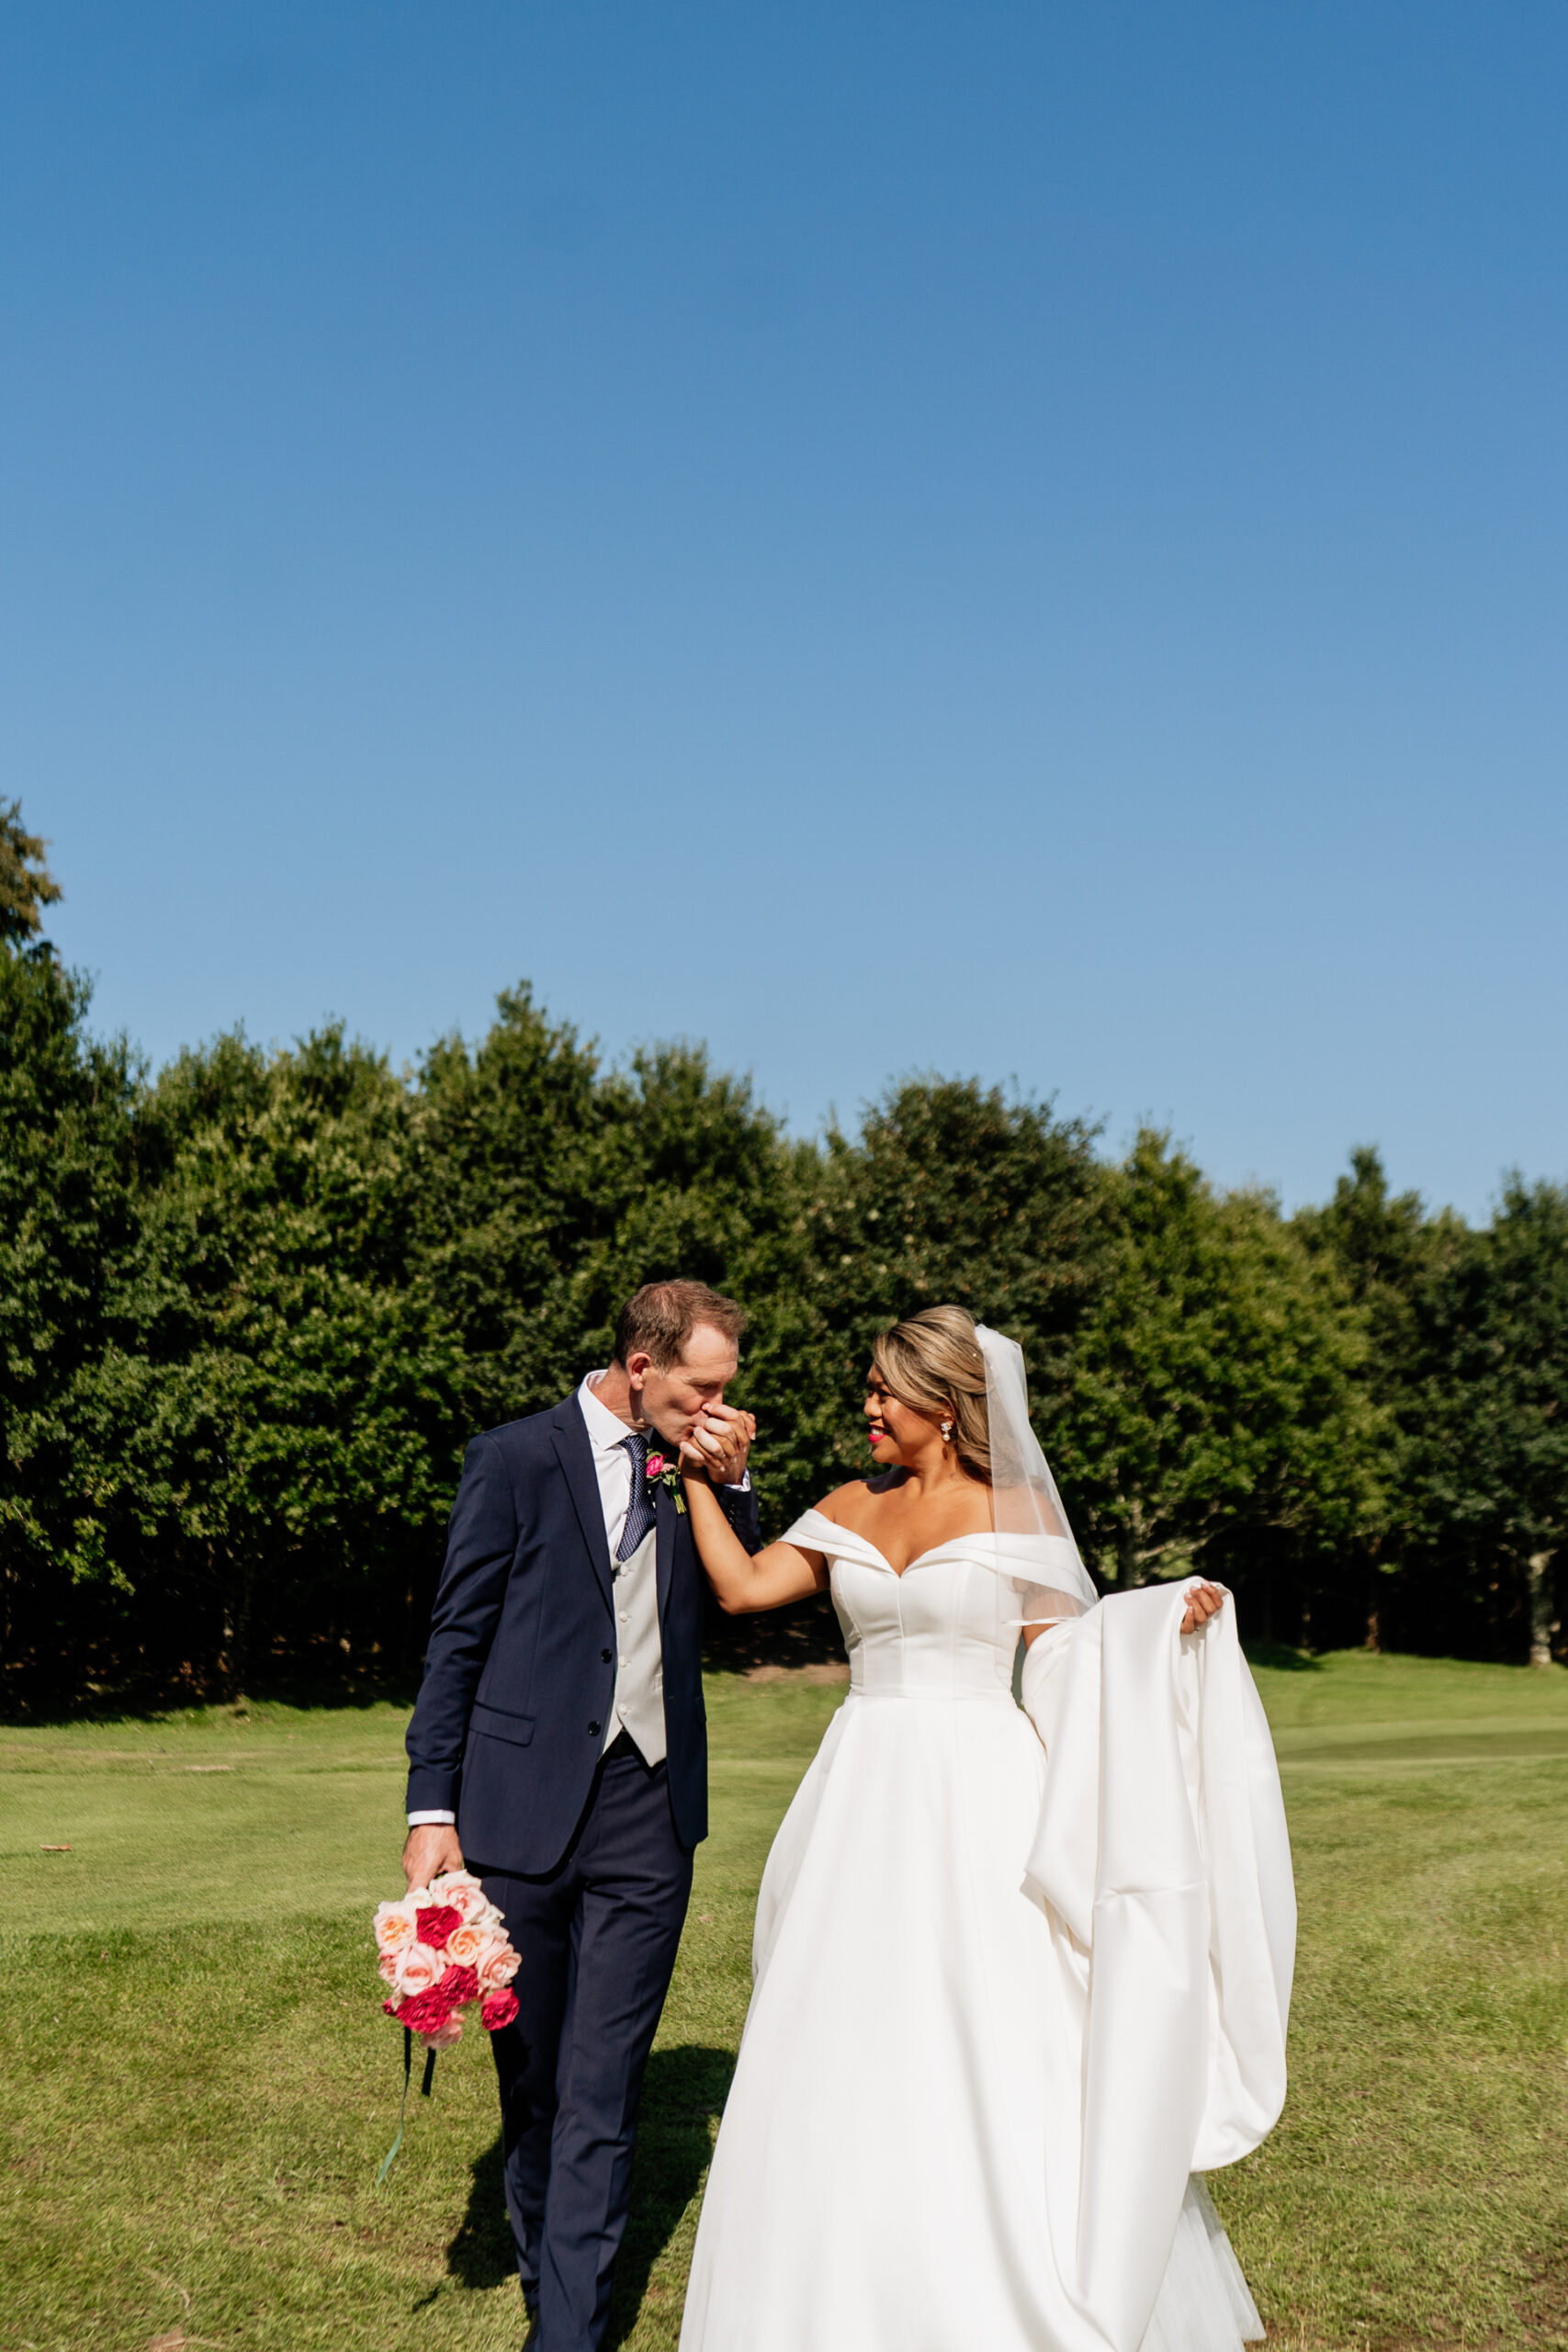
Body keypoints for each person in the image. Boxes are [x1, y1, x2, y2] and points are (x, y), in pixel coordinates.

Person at [675, 1304, 1295, 2352]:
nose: (866, 1406)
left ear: (945, 1402)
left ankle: (1006, 2280)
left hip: (979, 1791)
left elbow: (1066, 1655)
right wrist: (696, 1474)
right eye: (869, 1387)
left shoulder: (1023, 1519)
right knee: (840, 2021)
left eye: (883, 1389)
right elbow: (739, 1587)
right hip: (862, 1789)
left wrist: (1155, 1623)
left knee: (991, 2022)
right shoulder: (844, 1509)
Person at [401, 1279, 762, 2352]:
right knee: (540, 2091)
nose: (719, 1409)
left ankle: (567, 2336)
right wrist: (433, 1806)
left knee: (604, 2092)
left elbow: (728, 1612)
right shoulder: (512, 1458)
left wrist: (730, 1488)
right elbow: (456, 1637)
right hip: (517, 1813)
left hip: (651, 1810)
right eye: (704, 1388)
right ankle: (547, 2271)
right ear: (643, 1368)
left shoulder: (701, 1466)